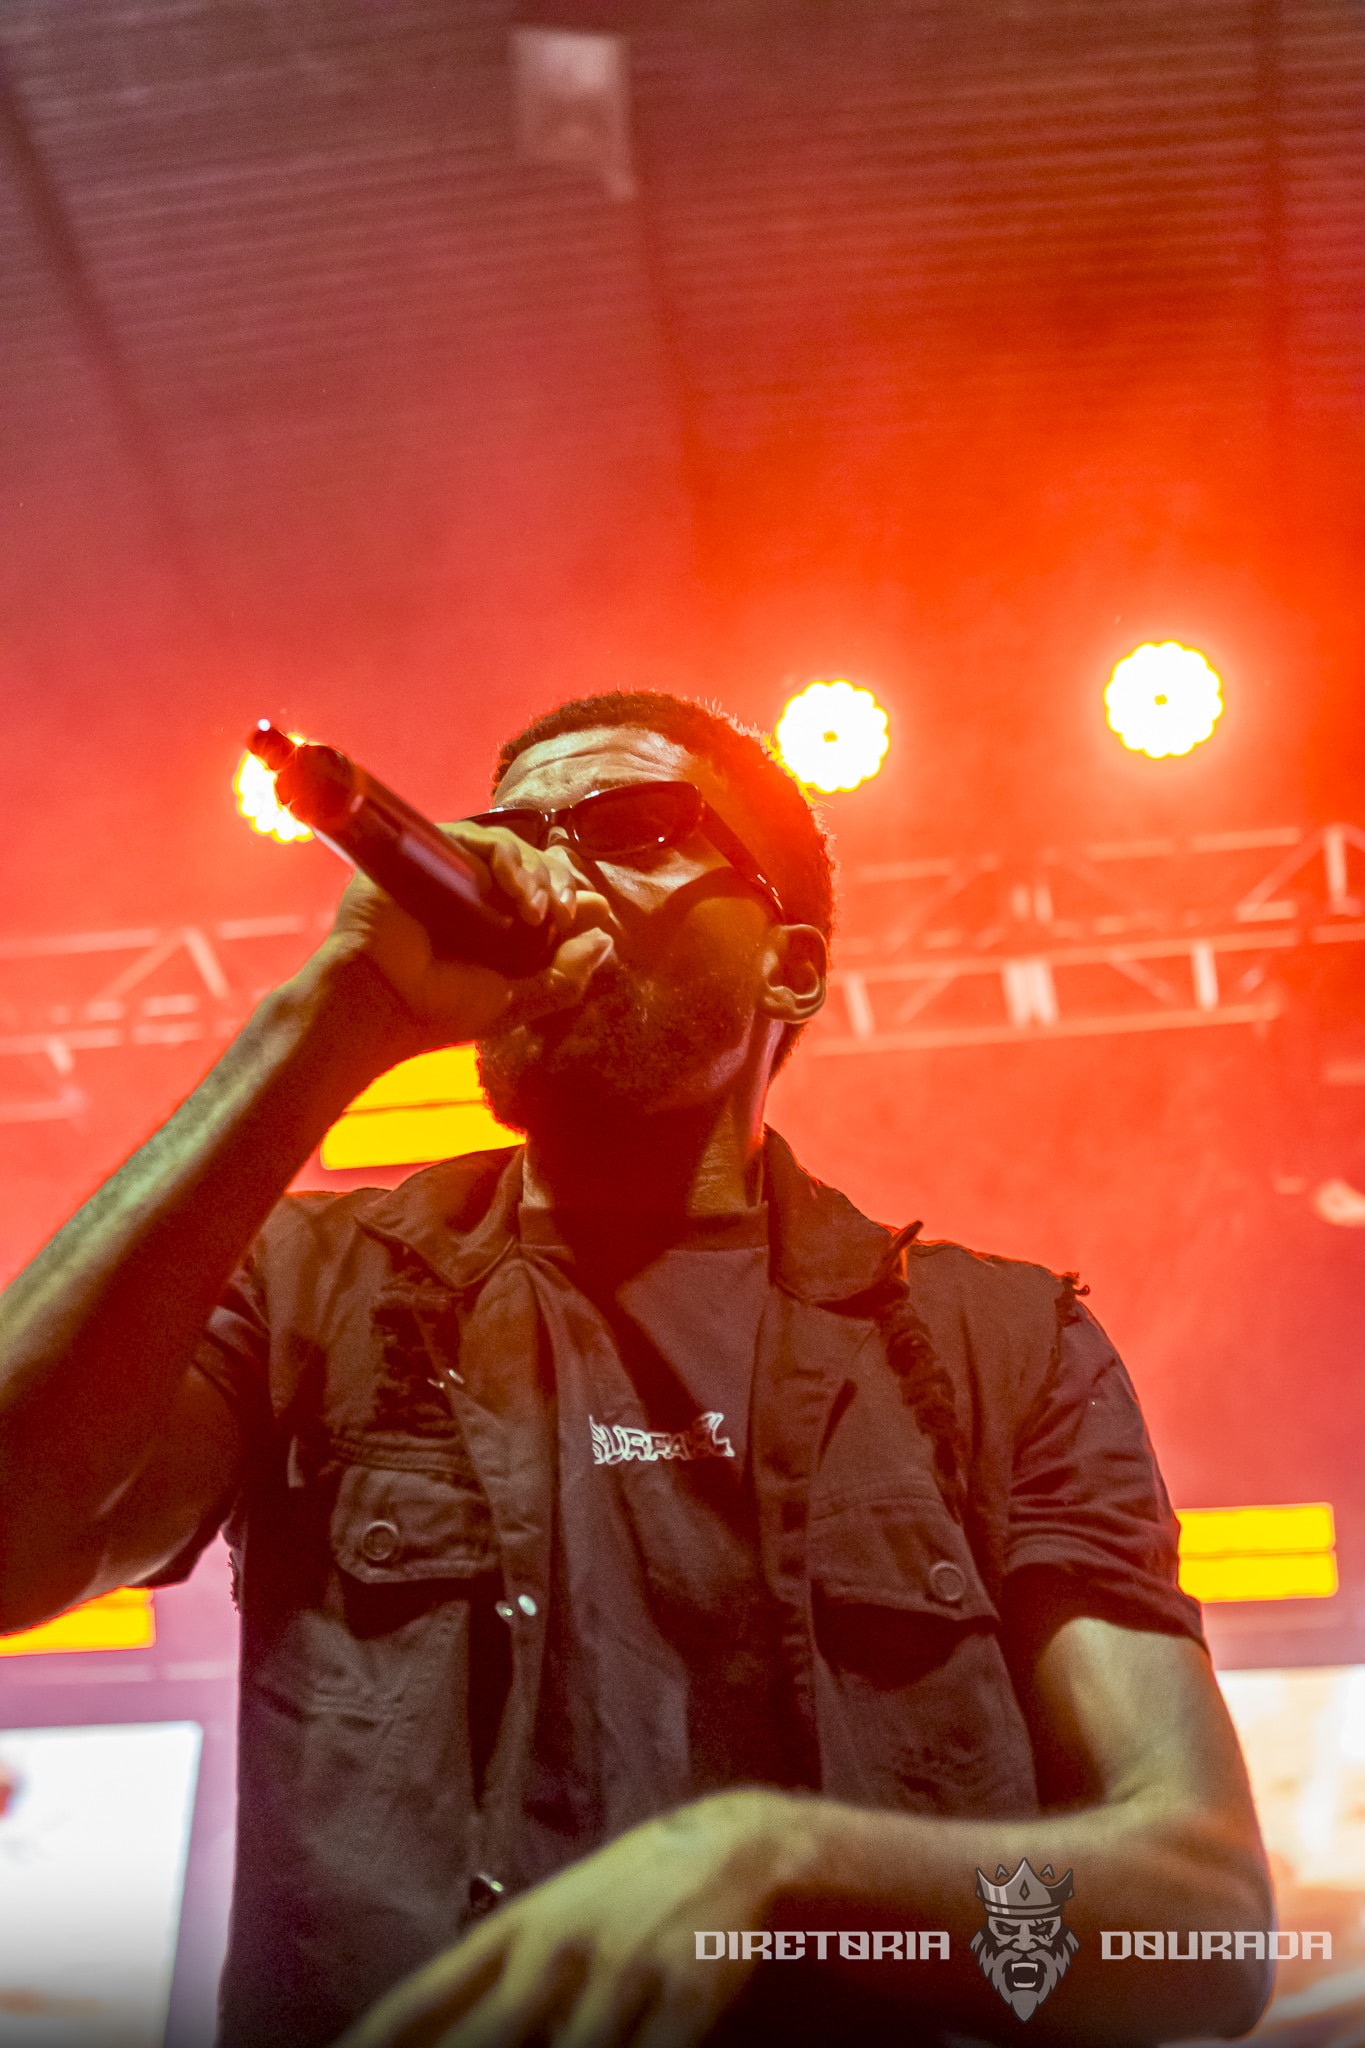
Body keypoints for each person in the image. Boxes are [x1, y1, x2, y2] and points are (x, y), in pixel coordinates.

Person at [0, 692, 1270, 2048]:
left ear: (790, 967)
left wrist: (773, 1862)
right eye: (510, 836)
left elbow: (1199, 1922)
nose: (546, 872)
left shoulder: (998, 1345)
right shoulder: (312, 1291)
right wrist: (336, 1013)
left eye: (632, 828)